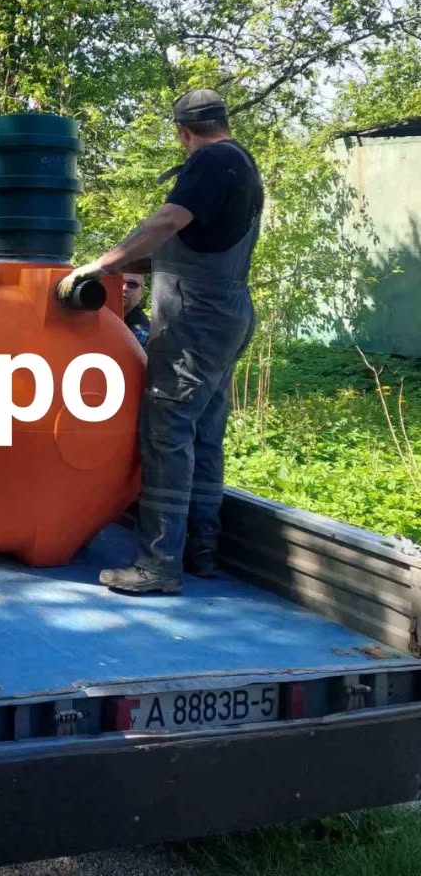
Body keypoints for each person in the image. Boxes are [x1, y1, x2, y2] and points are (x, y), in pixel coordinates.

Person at [60, 89, 263, 594]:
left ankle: (157, 565)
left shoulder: (209, 162)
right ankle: (202, 551)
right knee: (203, 433)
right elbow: (193, 246)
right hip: (228, 314)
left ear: (183, 132)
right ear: (221, 120)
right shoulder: (243, 166)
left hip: (196, 321)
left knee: (167, 432)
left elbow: (168, 222)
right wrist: (132, 263)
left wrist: (101, 264)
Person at [122, 272, 150, 348]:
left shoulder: (143, 333)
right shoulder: (88, 314)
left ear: (141, 294)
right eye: (117, 282)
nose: (124, 288)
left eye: (132, 284)